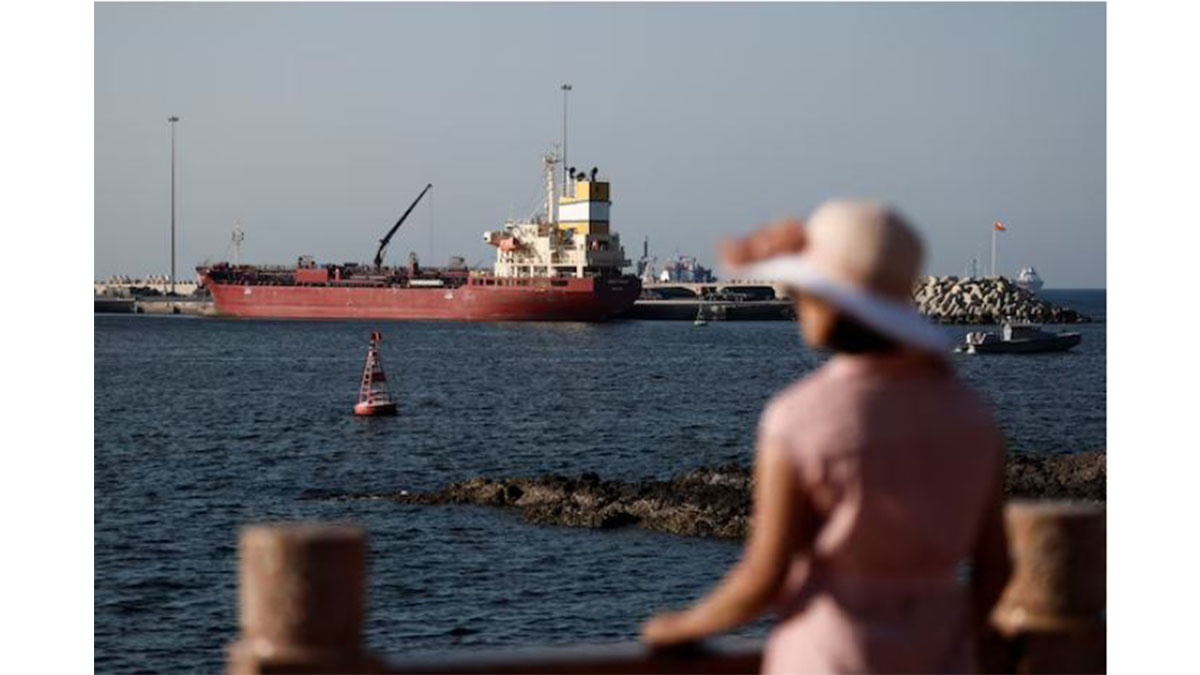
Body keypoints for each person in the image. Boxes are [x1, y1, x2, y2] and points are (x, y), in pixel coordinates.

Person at [640, 200, 1012, 674]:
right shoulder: (972, 415)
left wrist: (682, 626)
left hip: (829, 655)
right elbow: (996, 569)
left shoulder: (798, 418)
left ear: (828, 303)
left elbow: (764, 575)